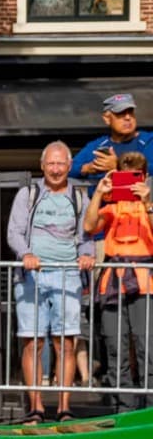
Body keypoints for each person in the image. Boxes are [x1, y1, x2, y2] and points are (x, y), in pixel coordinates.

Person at [9, 141, 94, 423]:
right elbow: (14, 232)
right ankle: (36, 408)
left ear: (69, 166)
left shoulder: (80, 197)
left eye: (61, 164)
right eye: (51, 164)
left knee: (66, 343)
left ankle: (64, 408)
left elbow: (87, 237)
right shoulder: (28, 194)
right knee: (32, 343)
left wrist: (86, 256)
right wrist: (26, 253)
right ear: (42, 165)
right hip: (32, 276)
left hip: (68, 275)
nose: (56, 169)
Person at [84, 149, 153, 408]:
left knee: (148, 348)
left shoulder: (150, 203)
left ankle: (149, 411)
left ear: (144, 177)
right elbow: (89, 227)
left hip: (146, 281)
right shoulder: (111, 206)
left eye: (135, 175)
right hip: (113, 280)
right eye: (125, 177)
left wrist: (147, 203)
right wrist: (100, 193)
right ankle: (123, 408)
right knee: (115, 347)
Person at [74, 93, 153, 179]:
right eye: (121, 113)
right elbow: (67, 168)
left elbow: (150, 169)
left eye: (130, 112)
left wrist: (118, 166)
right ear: (107, 119)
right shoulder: (97, 145)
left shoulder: (148, 141)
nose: (127, 117)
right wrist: (87, 168)